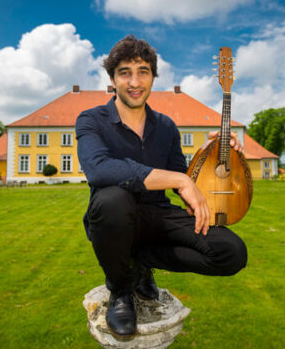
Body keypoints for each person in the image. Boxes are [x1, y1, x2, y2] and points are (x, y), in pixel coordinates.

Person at [75, 35, 247, 337]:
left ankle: (141, 261)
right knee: (112, 198)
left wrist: (212, 153)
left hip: (158, 215)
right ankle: (121, 289)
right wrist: (177, 179)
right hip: (114, 219)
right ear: (112, 79)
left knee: (231, 252)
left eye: (143, 71)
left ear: (153, 78)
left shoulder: (166, 125)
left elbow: (183, 177)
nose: (134, 81)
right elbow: (99, 169)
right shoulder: (91, 120)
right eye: (124, 72)